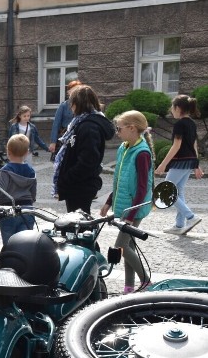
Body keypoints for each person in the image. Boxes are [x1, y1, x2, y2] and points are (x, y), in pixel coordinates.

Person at [100, 111, 154, 293]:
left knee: (121, 246)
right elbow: (119, 179)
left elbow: (142, 188)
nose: (117, 132)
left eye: (119, 128)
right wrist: (109, 201)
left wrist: (131, 216)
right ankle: (129, 288)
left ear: (132, 129)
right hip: (123, 207)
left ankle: (146, 281)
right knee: (128, 247)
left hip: (134, 210)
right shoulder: (124, 147)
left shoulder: (142, 153)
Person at [55, 84, 114, 213]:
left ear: (78, 103)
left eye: (72, 102)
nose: (70, 107)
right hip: (78, 184)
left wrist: (67, 178)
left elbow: (88, 161)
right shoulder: (81, 123)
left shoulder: (88, 126)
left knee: (79, 225)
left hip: (80, 185)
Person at [155, 94, 203, 235]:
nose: (171, 110)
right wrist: (196, 164)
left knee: (166, 191)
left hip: (180, 161)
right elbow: (194, 144)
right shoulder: (192, 123)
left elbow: (176, 145)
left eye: (172, 107)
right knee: (178, 191)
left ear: (178, 108)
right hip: (189, 161)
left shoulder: (180, 124)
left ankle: (191, 217)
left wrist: (163, 164)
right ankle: (179, 225)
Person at [0, 134, 37, 243]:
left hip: (8, 210)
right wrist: (32, 200)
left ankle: (9, 260)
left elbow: (0, 191)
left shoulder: (6, 170)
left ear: (8, 152)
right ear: (27, 153)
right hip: (27, 209)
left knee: (9, 244)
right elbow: (33, 191)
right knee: (25, 244)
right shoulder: (31, 170)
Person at [49, 80, 82, 158]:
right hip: (65, 136)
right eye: (74, 90)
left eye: (78, 90)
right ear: (69, 92)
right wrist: (53, 142)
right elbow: (56, 124)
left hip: (79, 135)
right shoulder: (63, 106)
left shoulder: (83, 105)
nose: (76, 92)